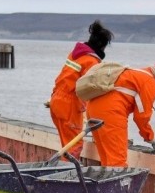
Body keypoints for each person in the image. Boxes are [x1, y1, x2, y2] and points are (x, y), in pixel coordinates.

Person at [85, 62, 155, 167]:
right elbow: (141, 117)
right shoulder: (150, 81)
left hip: (93, 109)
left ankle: (106, 182)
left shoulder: (138, 73)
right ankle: (116, 182)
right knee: (117, 162)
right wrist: (151, 138)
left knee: (107, 158)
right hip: (110, 113)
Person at [48, 20, 114, 158]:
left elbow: (66, 78)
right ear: (102, 46)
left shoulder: (75, 54)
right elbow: (91, 90)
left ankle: (64, 172)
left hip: (56, 99)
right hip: (70, 106)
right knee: (73, 147)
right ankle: (68, 176)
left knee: (65, 144)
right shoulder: (91, 62)